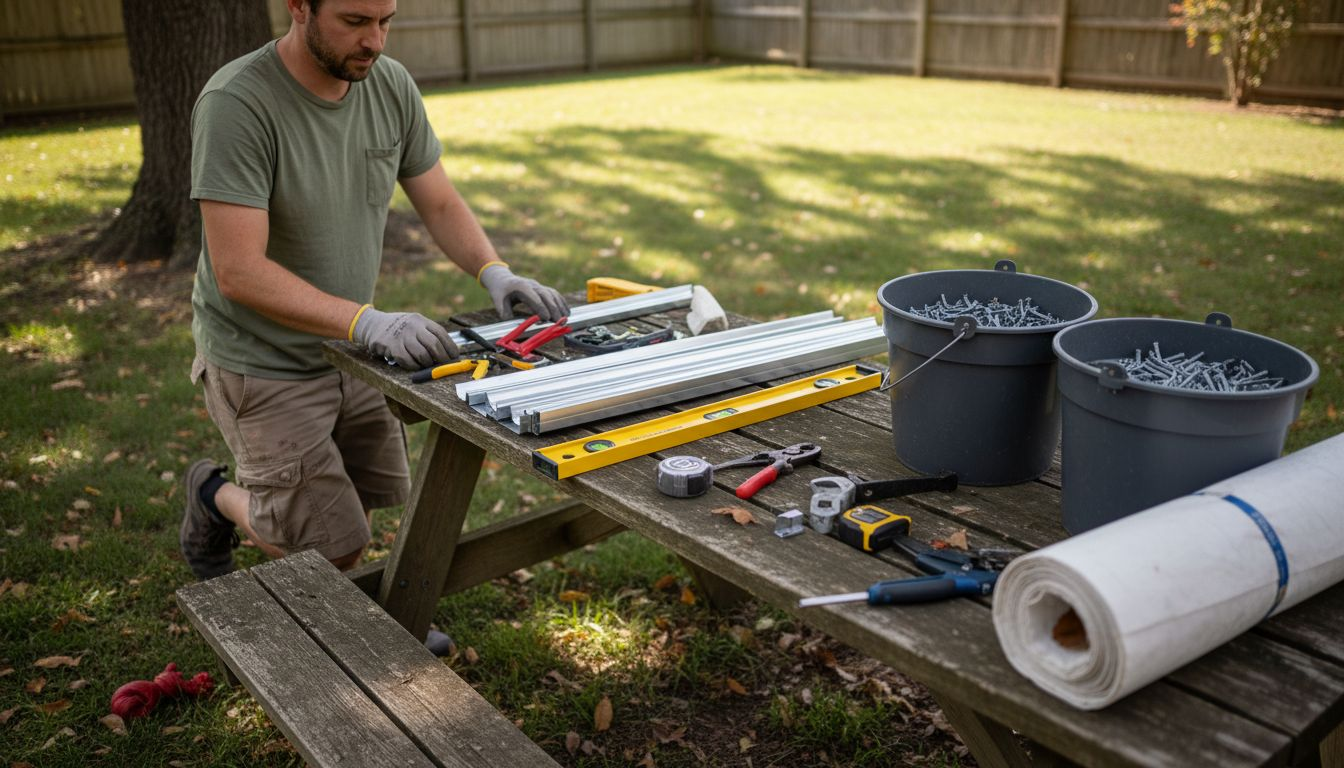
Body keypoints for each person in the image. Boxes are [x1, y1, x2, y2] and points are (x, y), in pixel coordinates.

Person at [180, 0, 567, 602]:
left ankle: (365, 597)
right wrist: (366, 322)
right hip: (263, 360)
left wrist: (494, 272)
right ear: (299, 7)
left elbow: (436, 200)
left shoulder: (388, 84)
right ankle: (216, 498)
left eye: (386, 20)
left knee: (362, 503)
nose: (376, 41)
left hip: (351, 346)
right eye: (356, 22)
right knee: (330, 546)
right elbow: (239, 272)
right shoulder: (237, 104)